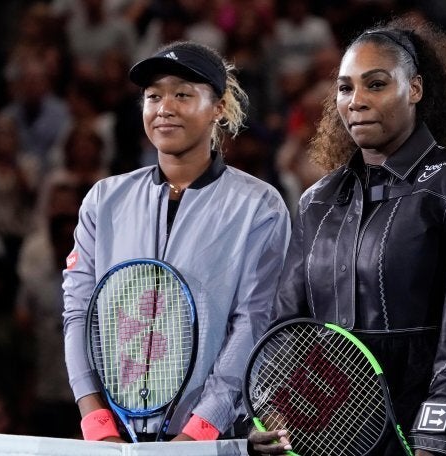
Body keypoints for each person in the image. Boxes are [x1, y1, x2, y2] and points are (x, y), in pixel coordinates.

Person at [248, 15, 446, 456]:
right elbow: (287, 330)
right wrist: (275, 413)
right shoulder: (316, 201)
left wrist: (436, 442)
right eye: (345, 88)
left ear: (415, 89)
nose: (356, 101)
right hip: (342, 433)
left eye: (376, 84)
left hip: (443, 438)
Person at [62, 40, 291, 443]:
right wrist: (96, 422)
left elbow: (254, 324)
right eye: (153, 96)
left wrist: (198, 433)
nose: (164, 108)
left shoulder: (260, 206)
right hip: (114, 436)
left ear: (218, 107)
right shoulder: (103, 199)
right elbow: (80, 311)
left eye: (182, 94)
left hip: (210, 438)